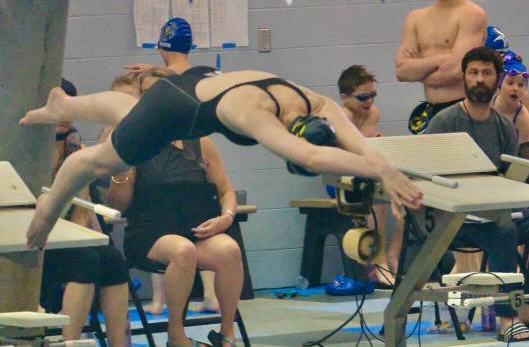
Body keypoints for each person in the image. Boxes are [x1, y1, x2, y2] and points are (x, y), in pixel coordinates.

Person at [19, 64, 424, 251]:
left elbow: (358, 146)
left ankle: (65, 104)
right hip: (176, 109)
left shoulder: (313, 102)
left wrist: (387, 172)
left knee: (130, 113)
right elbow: (314, 158)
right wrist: (383, 173)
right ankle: (46, 211)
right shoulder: (254, 114)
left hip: (196, 83)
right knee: (100, 161)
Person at [425, 47, 529, 342]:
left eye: (486, 73)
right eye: (474, 73)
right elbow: (427, 175)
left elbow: (508, 177)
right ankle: (507, 318)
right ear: (464, 78)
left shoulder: (504, 125)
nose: (479, 79)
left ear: (496, 79)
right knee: (504, 230)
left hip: (498, 210)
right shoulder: (444, 121)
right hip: (458, 218)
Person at [103, 69, 245, 347]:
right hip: (150, 233)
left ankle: (227, 332)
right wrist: (121, 172)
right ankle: (176, 335)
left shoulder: (200, 140)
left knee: (229, 249)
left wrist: (226, 217)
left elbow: (226, 191)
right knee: (183, 251)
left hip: (195, 229)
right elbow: (119, 207)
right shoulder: (135, 141)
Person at [42, 79, 156, 347]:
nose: (65, 115)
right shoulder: (28, 147)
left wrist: (92, 239)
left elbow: (82, 203)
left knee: (111, 260)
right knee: (84, 261)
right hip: (32, 239)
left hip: (64, 234)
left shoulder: (74, 144)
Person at [124, 17, 221, 315]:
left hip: (170, 148)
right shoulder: (201, 76)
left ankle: (161, 301)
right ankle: (208, 296)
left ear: (160, 46)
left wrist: (151, 74)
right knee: (195, 212)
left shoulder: (167, 82)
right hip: (190, 147)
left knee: (167, 207)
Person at [395, 0, 487, 134]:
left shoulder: (472, 14)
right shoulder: (415, 18)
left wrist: (419, 67)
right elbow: (402, 71)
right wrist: (440, 58)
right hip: (430, 111)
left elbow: (455, 71)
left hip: (462, 109)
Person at [337, 64, 402, 286]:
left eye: (372, 95)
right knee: (378, 202)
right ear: (344, 97)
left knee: (404, 198)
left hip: (367, 176)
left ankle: (393, 255)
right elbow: (344, 157)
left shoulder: (373, 113)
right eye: (363, 97)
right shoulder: (341, 118)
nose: (369, 102)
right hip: (339, 180)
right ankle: (379, 262)